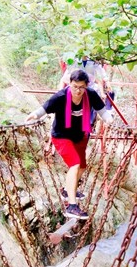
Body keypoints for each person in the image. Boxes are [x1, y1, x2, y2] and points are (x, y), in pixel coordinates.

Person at [25, 69, 113, 219]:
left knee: (82, 166)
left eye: (81, 87)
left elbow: (102, 111)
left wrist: (109, 120)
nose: (77, 90)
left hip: (79, 136)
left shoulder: (91, 94)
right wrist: (34, 115)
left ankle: (67, 190)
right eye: (74, 86)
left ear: (87, 86)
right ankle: (72, 206)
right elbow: (43, 109)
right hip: (61, 136)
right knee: (75, 164)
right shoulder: (60, 96)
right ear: (70, 84)